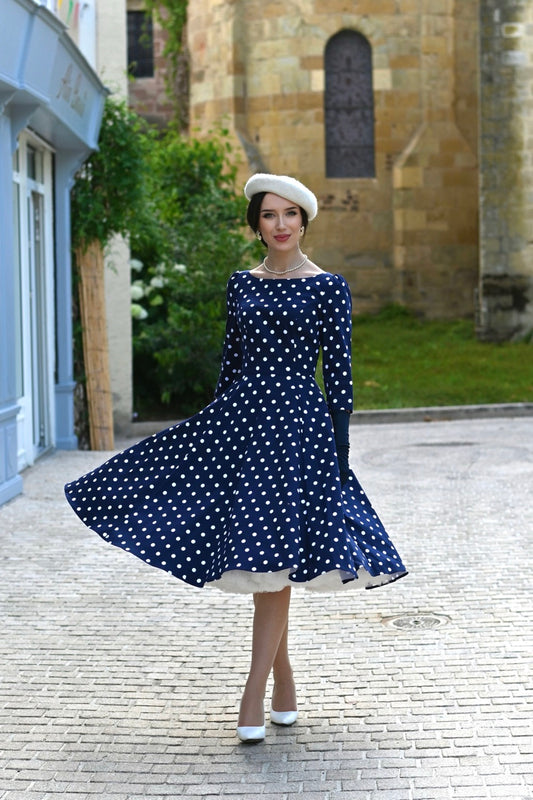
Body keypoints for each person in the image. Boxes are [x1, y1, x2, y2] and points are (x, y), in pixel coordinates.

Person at [64, 173, 407, 744]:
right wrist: (215, 436)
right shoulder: (241, 286)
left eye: (290, 214)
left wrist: (339, 452)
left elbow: (340, 379)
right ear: (257, 226)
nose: (280, 225)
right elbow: (231, 366)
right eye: (269, 215)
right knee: (267, 556)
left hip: (300, 435)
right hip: (244, 428)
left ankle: (253, 695)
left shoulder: (328, 288)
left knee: (273, 559)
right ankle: (285, 686)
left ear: (304, 221)